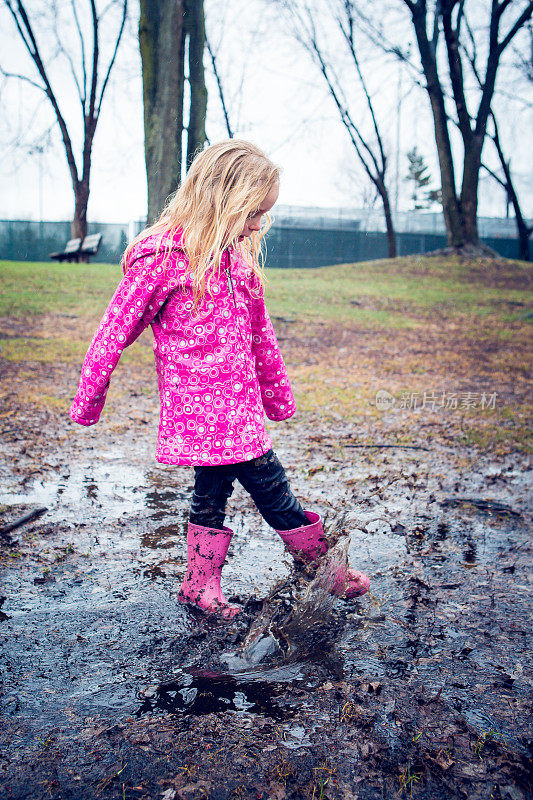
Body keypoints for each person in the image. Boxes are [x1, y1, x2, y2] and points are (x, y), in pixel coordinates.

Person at [69, 140, 370, 619]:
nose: (257, 225)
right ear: (222, 200)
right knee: (271, 487)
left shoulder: (241, 266)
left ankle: (200, 585)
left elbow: (261, 339)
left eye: (262, 215)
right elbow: (112, 333)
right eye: (252, 213)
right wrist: (89, 400)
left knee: (212, 492)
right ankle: (321, 570)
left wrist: (277, 399)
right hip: (199, 414)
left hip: (242, 410)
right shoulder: (164, 261)